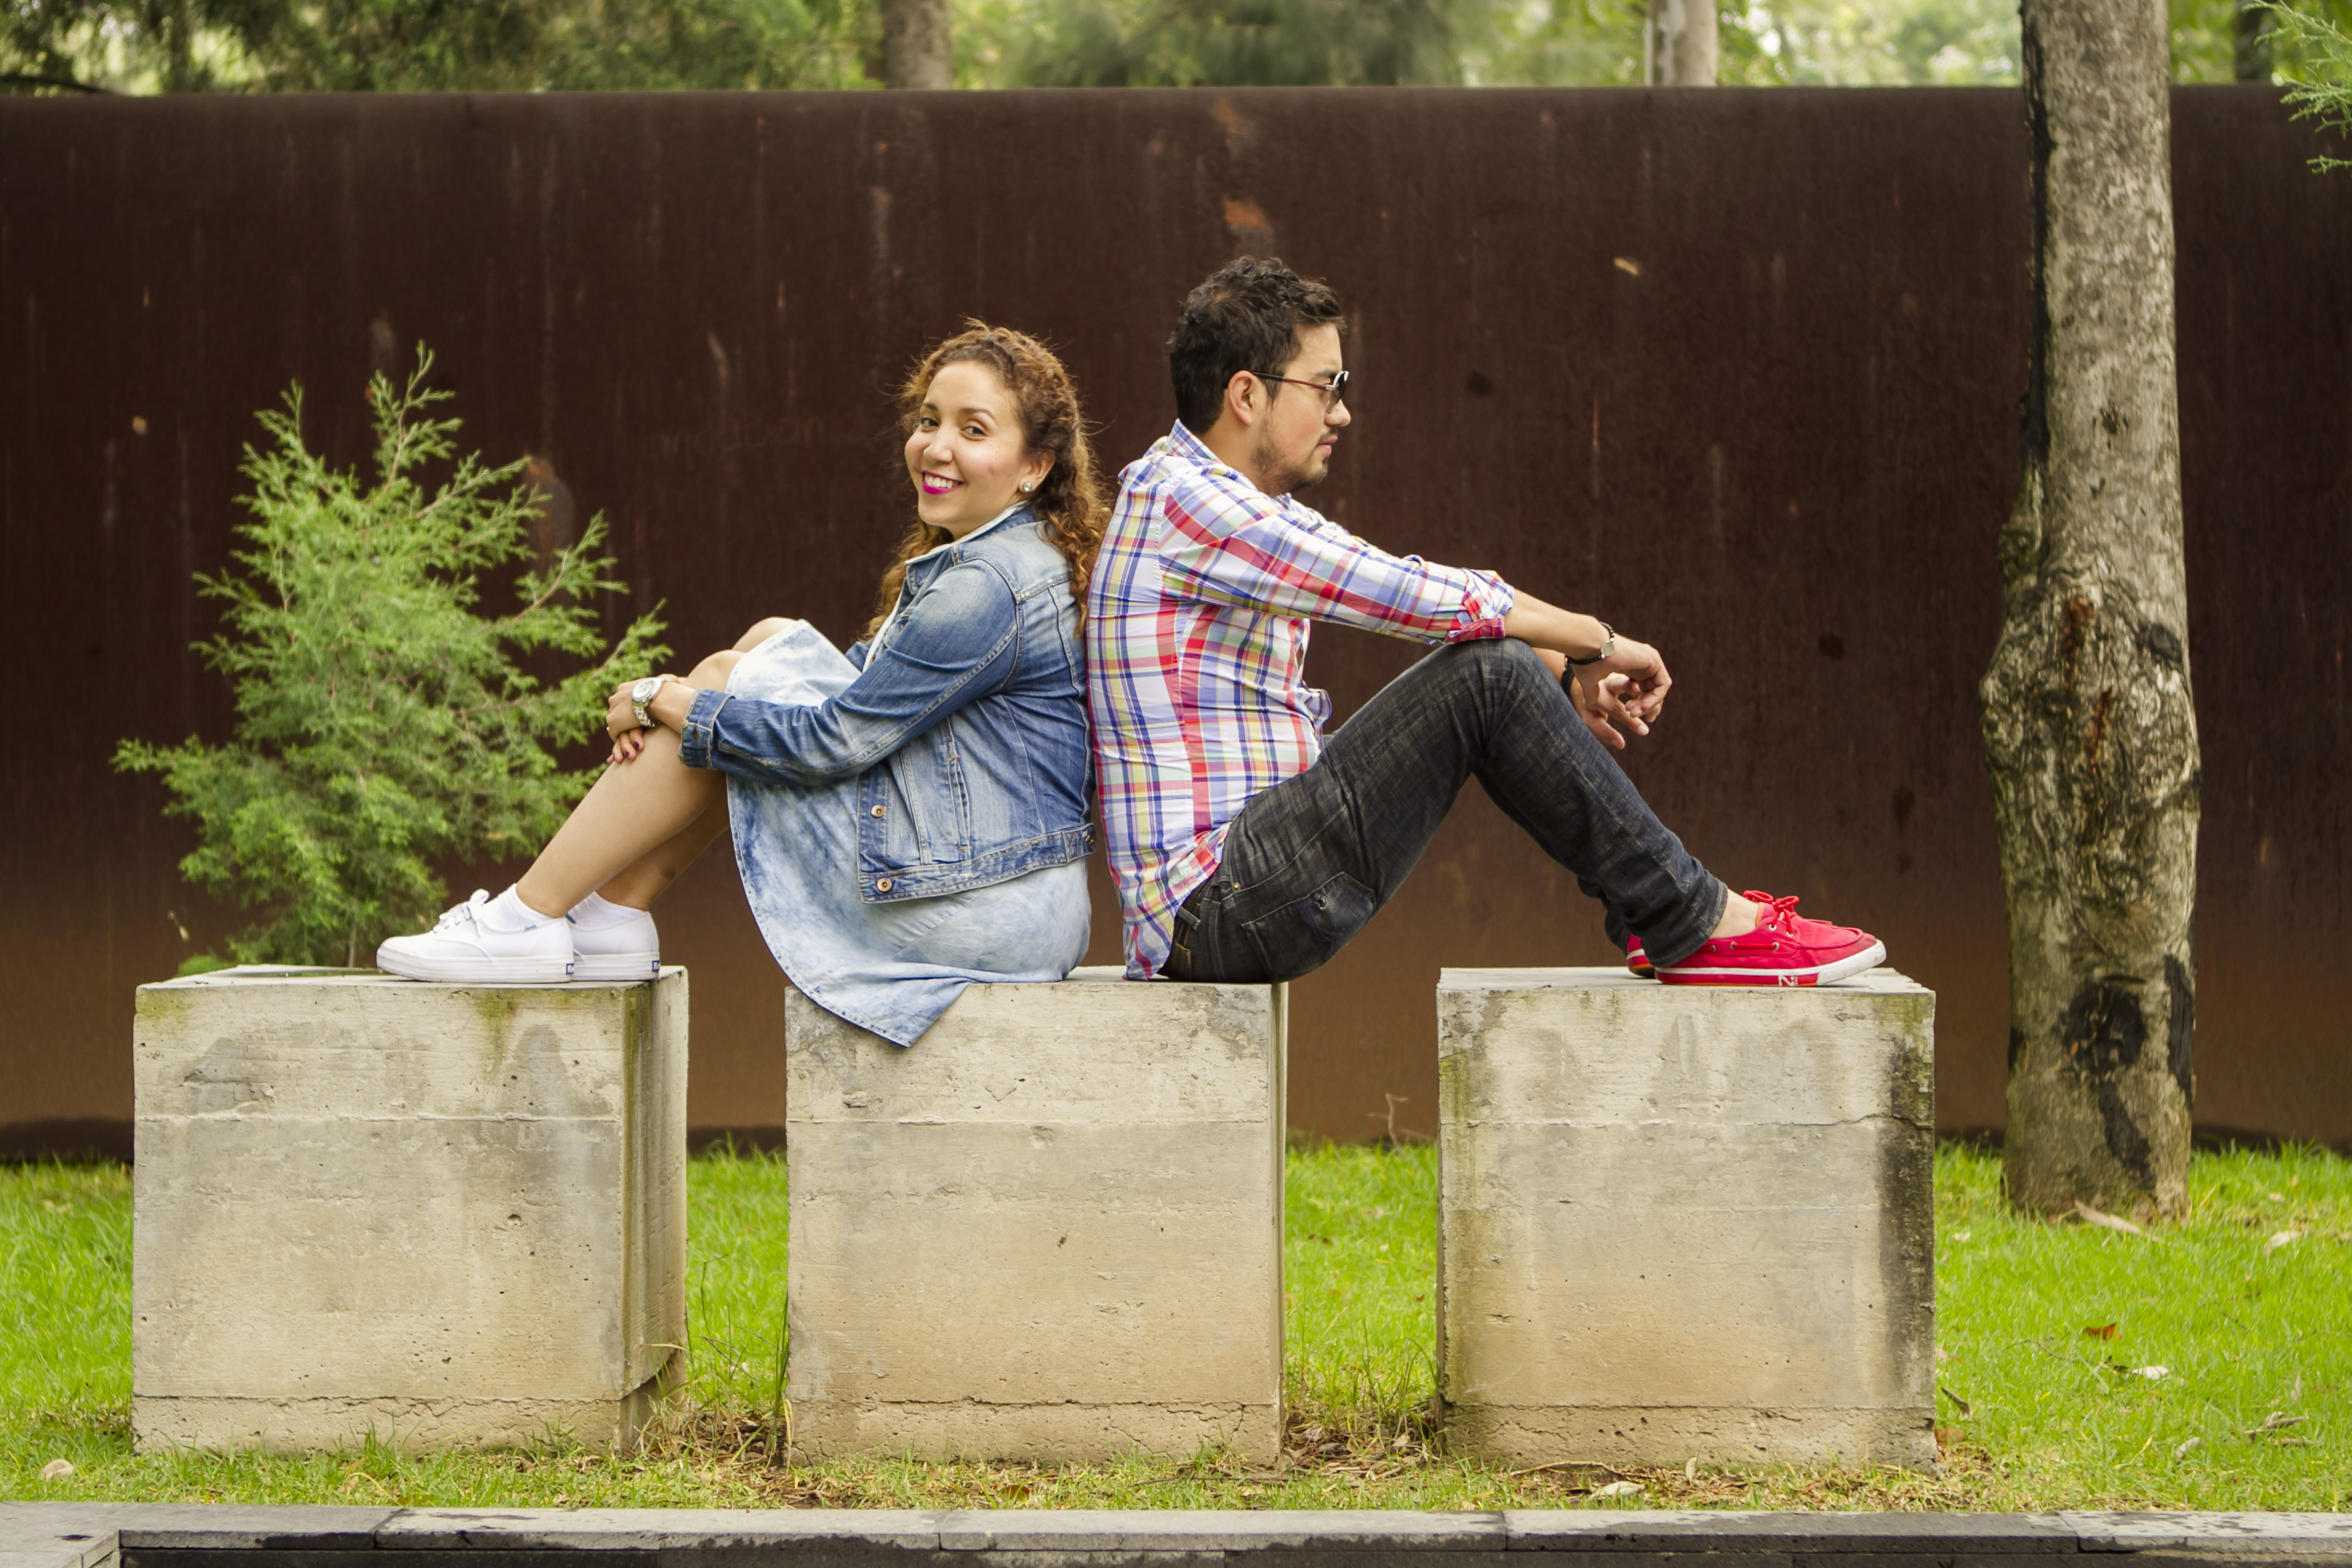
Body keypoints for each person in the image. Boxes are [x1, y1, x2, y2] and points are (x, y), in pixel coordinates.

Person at [1087, 257, 1883, 988]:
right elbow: (1401, 592)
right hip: (1221, 905)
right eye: (1326, 386)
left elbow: (1426, 593)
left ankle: (1662, 912)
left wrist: (1558, 668)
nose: (1344, 413)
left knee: (1501, 665)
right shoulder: (1191, 504)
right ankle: (1692, 922)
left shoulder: (1221, 500)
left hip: (1238, 891)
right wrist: (1595, 641)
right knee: (1488, 678)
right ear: (1247, 394)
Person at [378, 324, 1105, 1045]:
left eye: (973, 430)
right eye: (929, 420)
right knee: (763, 644)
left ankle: (527, 917)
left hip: (985, 912)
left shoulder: (987, 584)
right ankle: (614, 912)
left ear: (1034, 466)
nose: (936, 447)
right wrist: (697, 708)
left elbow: (835, 741)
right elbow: (863, 690)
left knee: (729, 691)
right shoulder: (1009, 554)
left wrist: (665, 700)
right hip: (1014, 894)